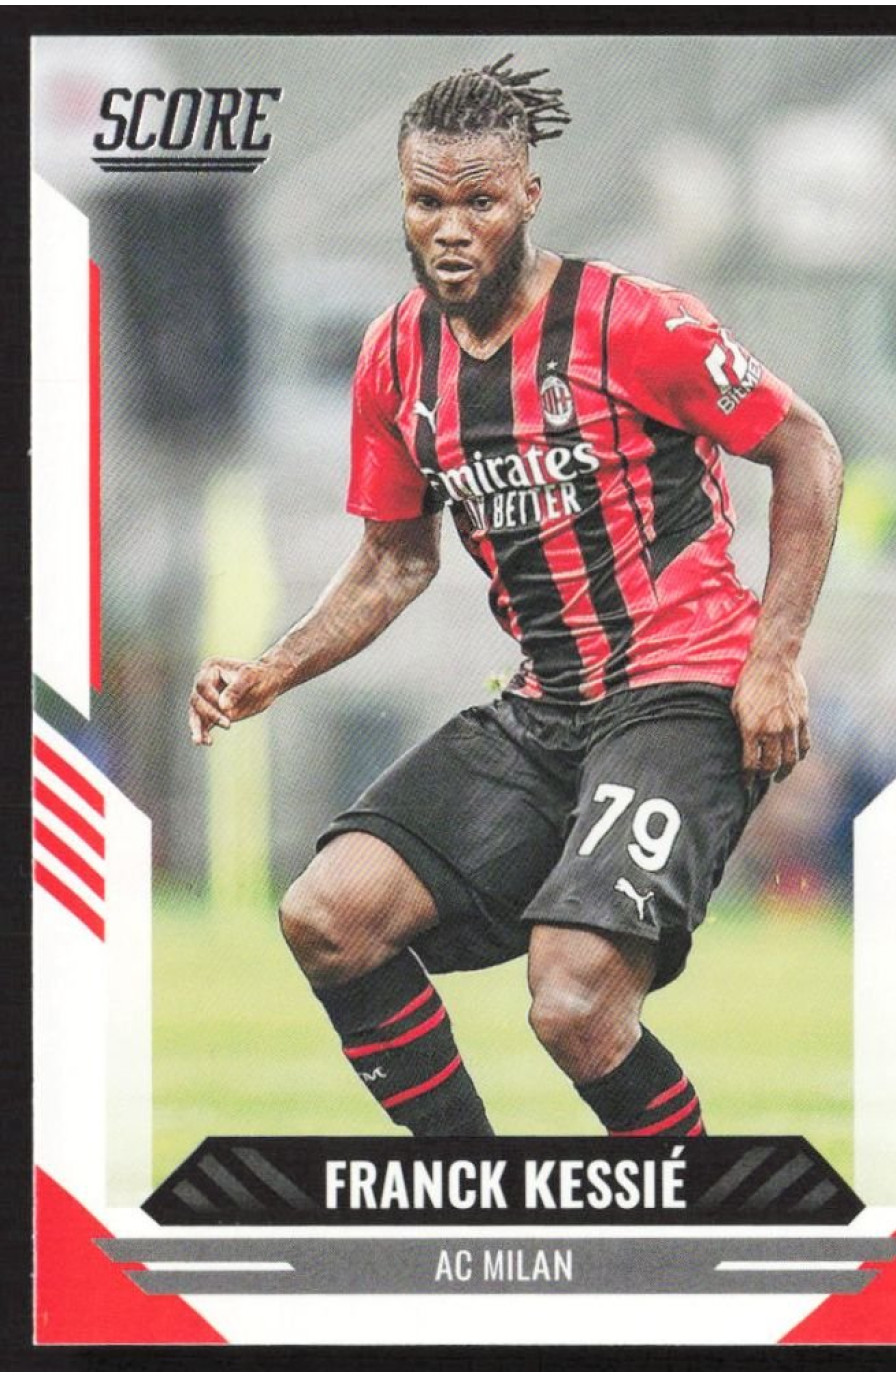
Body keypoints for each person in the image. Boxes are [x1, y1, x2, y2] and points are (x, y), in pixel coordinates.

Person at [188, 56, 843, 1140]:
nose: (450, 229)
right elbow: (394, 560)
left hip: (680, 694)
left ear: (528, 196)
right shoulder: (395, 356)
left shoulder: (637, 322)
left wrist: (774, 657)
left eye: (479, 201)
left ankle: (704, 1214)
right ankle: (473, 1197)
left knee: (573, 1000)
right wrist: (272, 668)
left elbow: (807, 448)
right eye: (426, 201)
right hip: (545, 709)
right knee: (329, 914)